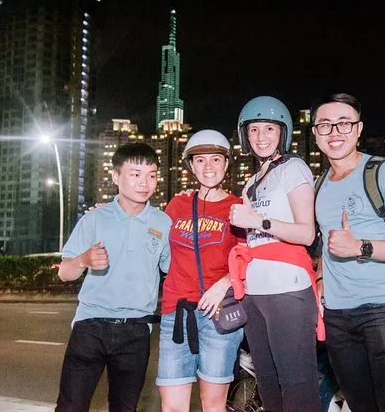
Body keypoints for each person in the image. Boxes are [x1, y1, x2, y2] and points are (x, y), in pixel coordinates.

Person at [310, 92, 385, 412]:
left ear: (359, 129)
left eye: (344, 123)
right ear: (315, 133)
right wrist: (320, 280)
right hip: (338, 317)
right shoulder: (319, 186)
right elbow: (325, 245)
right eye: (325, 125)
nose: (335, 132)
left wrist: (359, 247)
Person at [55, 142, 171, 412]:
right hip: (90, 325)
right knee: (70, 406)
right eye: (135, 174)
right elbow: (64, 273)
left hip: (136, 330)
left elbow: (173, 269)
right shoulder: (94, 219)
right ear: (116, 176)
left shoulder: (163, 223)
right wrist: (83, 260)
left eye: (152, 175)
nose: (144, 183)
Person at [227, 95, 322, 412]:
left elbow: (306, 232)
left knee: (297, 386)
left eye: (269, 128)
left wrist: (258, 220)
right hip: (254, 293)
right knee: (268, 386)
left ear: (283, 132)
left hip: (286, 288)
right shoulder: (251, 182)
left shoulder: (293, 168)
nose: (261, 137)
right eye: (253, 129)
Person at [156, 129, 246, 412]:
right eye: (200, 160)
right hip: (176, 313)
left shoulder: (238, 207)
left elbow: (250, 255)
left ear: (226, 164)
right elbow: (151, 238)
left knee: (213, 404)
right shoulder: (177, 205)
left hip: (218, 314)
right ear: (191, 166)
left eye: (216, 159)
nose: (208, 167)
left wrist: (226, 282)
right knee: (172, 406)